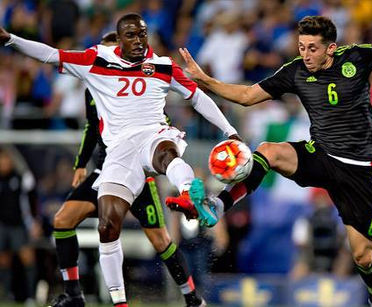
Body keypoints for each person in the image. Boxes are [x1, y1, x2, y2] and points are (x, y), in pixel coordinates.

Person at [172, 15, 372, 307]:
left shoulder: (356, 57)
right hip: (321, 155)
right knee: (269, 150)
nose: (305, 54)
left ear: (331, 49)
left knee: (364, 256)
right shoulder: (295, 71)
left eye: (312, 48)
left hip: (358, 171)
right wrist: (204, 80)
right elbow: (246, 95)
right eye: (302, 47)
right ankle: (218, 205)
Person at [0, 13, 239, 307]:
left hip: (153, 133)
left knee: (167, 153)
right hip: (119, 152)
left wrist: (230, 131)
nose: (139, 41)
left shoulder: (163, 66)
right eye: (131, 36)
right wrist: (11, 39)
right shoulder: (95, 61)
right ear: (118, 39)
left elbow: (198, 98)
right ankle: (119, 302)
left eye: (142, 34)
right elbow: (50, 55)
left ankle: (190, 195)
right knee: (107, 226)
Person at [48, 32, 203, 307]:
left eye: (112, 54)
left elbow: (157, 123)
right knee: (62, 220)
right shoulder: (93, 88)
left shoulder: (139, 86)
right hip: (105, 173)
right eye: (104, 54)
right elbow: (91, 128)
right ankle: (74, 297)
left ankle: (192, 297)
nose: (107, 61)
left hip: (138, 175)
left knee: (161, 241)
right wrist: (81, 164)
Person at [0, 148, 39, 304]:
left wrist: (34, 222)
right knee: (3, 260)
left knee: (28, 258)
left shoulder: (22, 178)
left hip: (19, 225)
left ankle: (30, 296)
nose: (3, 163)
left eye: (6, 159)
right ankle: (7, 295)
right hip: (2, 226)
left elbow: (32, 201)